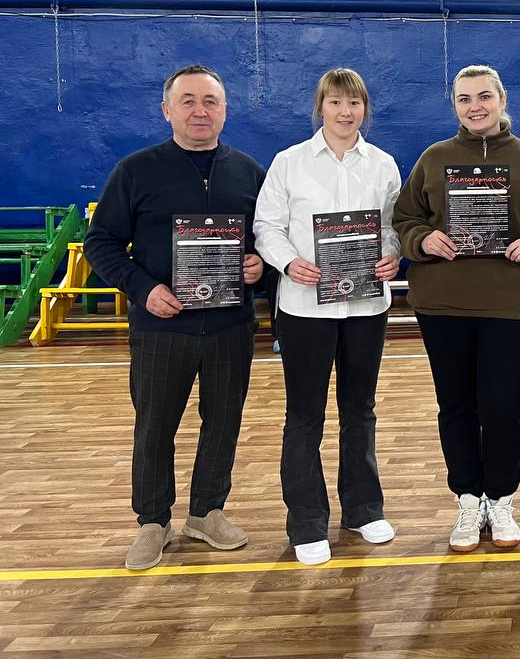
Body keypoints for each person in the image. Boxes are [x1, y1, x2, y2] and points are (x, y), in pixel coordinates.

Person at [84, 64, 266, 571]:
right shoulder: (136, 171)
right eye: (188, 101)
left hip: (230, 325)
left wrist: (261, 267)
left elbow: (269, 238)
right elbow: (101, 243)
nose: (199, 111)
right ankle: (152, 521)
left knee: (223, 422)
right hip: (162, 326)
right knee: (155, 426)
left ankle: (206, 512)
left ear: (225, 111)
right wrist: (144, 289)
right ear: (167, 110)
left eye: (210, 101)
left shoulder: (249, 172)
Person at [393, 65, 520, 553]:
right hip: (443, 304)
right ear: (454, 105)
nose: (475, 106)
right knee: (455, 406)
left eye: (484, 96)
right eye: (464, 98)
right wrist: (423, 238)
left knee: (502, 407)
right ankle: (468, 499)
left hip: (511, 305)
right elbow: (404, 218)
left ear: (502, 99)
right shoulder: (434, 158)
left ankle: (501, 497)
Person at [253, 68, 402, 565]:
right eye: (336, 102)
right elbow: (266, 227)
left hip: (366, 307)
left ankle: (363, 509)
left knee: (360, 408)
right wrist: (287, 262)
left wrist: (392, 254)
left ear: (365, 109)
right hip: (304, 309)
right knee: (305, 415)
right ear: (320, 107)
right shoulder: (288, 162)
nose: (345, 111)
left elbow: (394, 226)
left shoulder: (383, 164)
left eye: (354, 103)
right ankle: (307, 521)